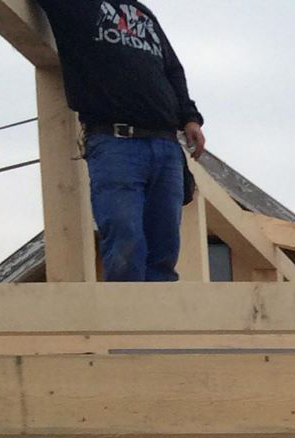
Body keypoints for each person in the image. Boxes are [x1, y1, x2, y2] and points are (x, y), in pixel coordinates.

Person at [36, 1, 206, 282]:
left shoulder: (143, 13)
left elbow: (173, 70)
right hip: (114, 142)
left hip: (165, 144)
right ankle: (125, 311)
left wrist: (190, 118)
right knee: (124, 238)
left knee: (165, 247)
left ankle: (156, 310)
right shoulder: (74, 6)